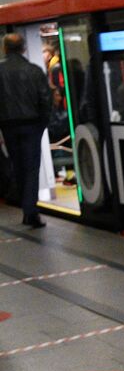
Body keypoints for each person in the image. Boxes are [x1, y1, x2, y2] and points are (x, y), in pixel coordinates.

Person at [0, 33, 54, 227]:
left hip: (8, 125)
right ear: (23, 48)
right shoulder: (34, 70)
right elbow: (45, 99)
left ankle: (26, 207)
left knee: (18, 165)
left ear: (5, 49)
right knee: (31, 167)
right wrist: (42, 123)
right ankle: (30, 211)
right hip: (32, 125)